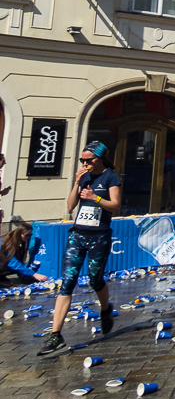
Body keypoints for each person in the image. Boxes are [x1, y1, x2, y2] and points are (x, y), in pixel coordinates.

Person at [38, 142, 121, 356]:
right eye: (83, 160)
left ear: (100, 159)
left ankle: (105, 310)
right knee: (67, 282)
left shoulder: (110, 177)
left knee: (95, 279)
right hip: (78, 234)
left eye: (89, 160)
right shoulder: (84, 177)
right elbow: (70, 205)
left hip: (99, 235)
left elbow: (116, 206)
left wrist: (96, 198)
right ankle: (56, 334)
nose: (85, 163)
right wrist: (76, 183)